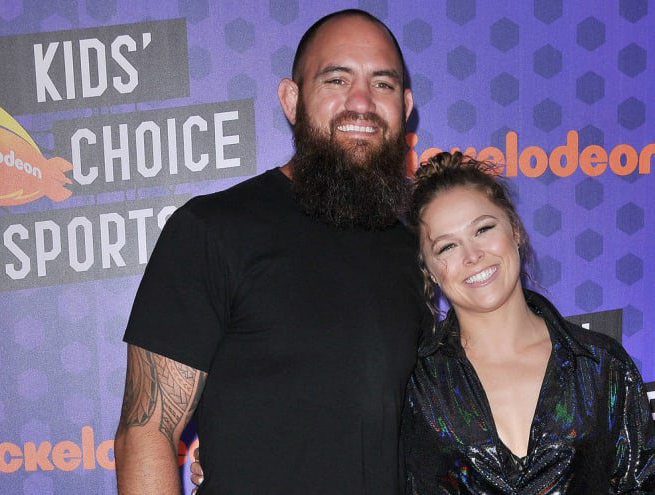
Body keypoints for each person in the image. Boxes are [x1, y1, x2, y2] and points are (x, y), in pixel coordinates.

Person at [115, 9, 428, 494]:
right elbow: (145, 433)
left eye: (382, 84)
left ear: (404, 106)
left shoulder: (420, 249)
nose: (361, 102)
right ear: (291, 99)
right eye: (336, 79)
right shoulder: (213, 230)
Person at [401, 152, 655, 493]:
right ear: (430, 270)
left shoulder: (600, 366)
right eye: (447, 247)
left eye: (483, 229)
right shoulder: (417, 383)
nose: (472, 255)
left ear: (515, 231)